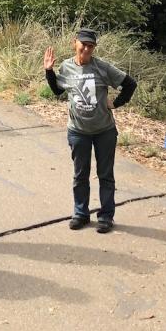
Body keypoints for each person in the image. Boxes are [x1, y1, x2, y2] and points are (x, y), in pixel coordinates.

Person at [42, 29, 137, 234]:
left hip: (104, 131)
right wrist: (49, 71)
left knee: (105, 175)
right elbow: (58, 90)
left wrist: (116, 103)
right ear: (74, 43)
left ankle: (105, 216)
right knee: (80, 175)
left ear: (94, 48)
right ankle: (80, 214)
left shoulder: (102, 67)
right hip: (78, 131)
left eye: (90, 46)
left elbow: (130, 84)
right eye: (83, 44)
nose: (86, 48)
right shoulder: (66, 67)